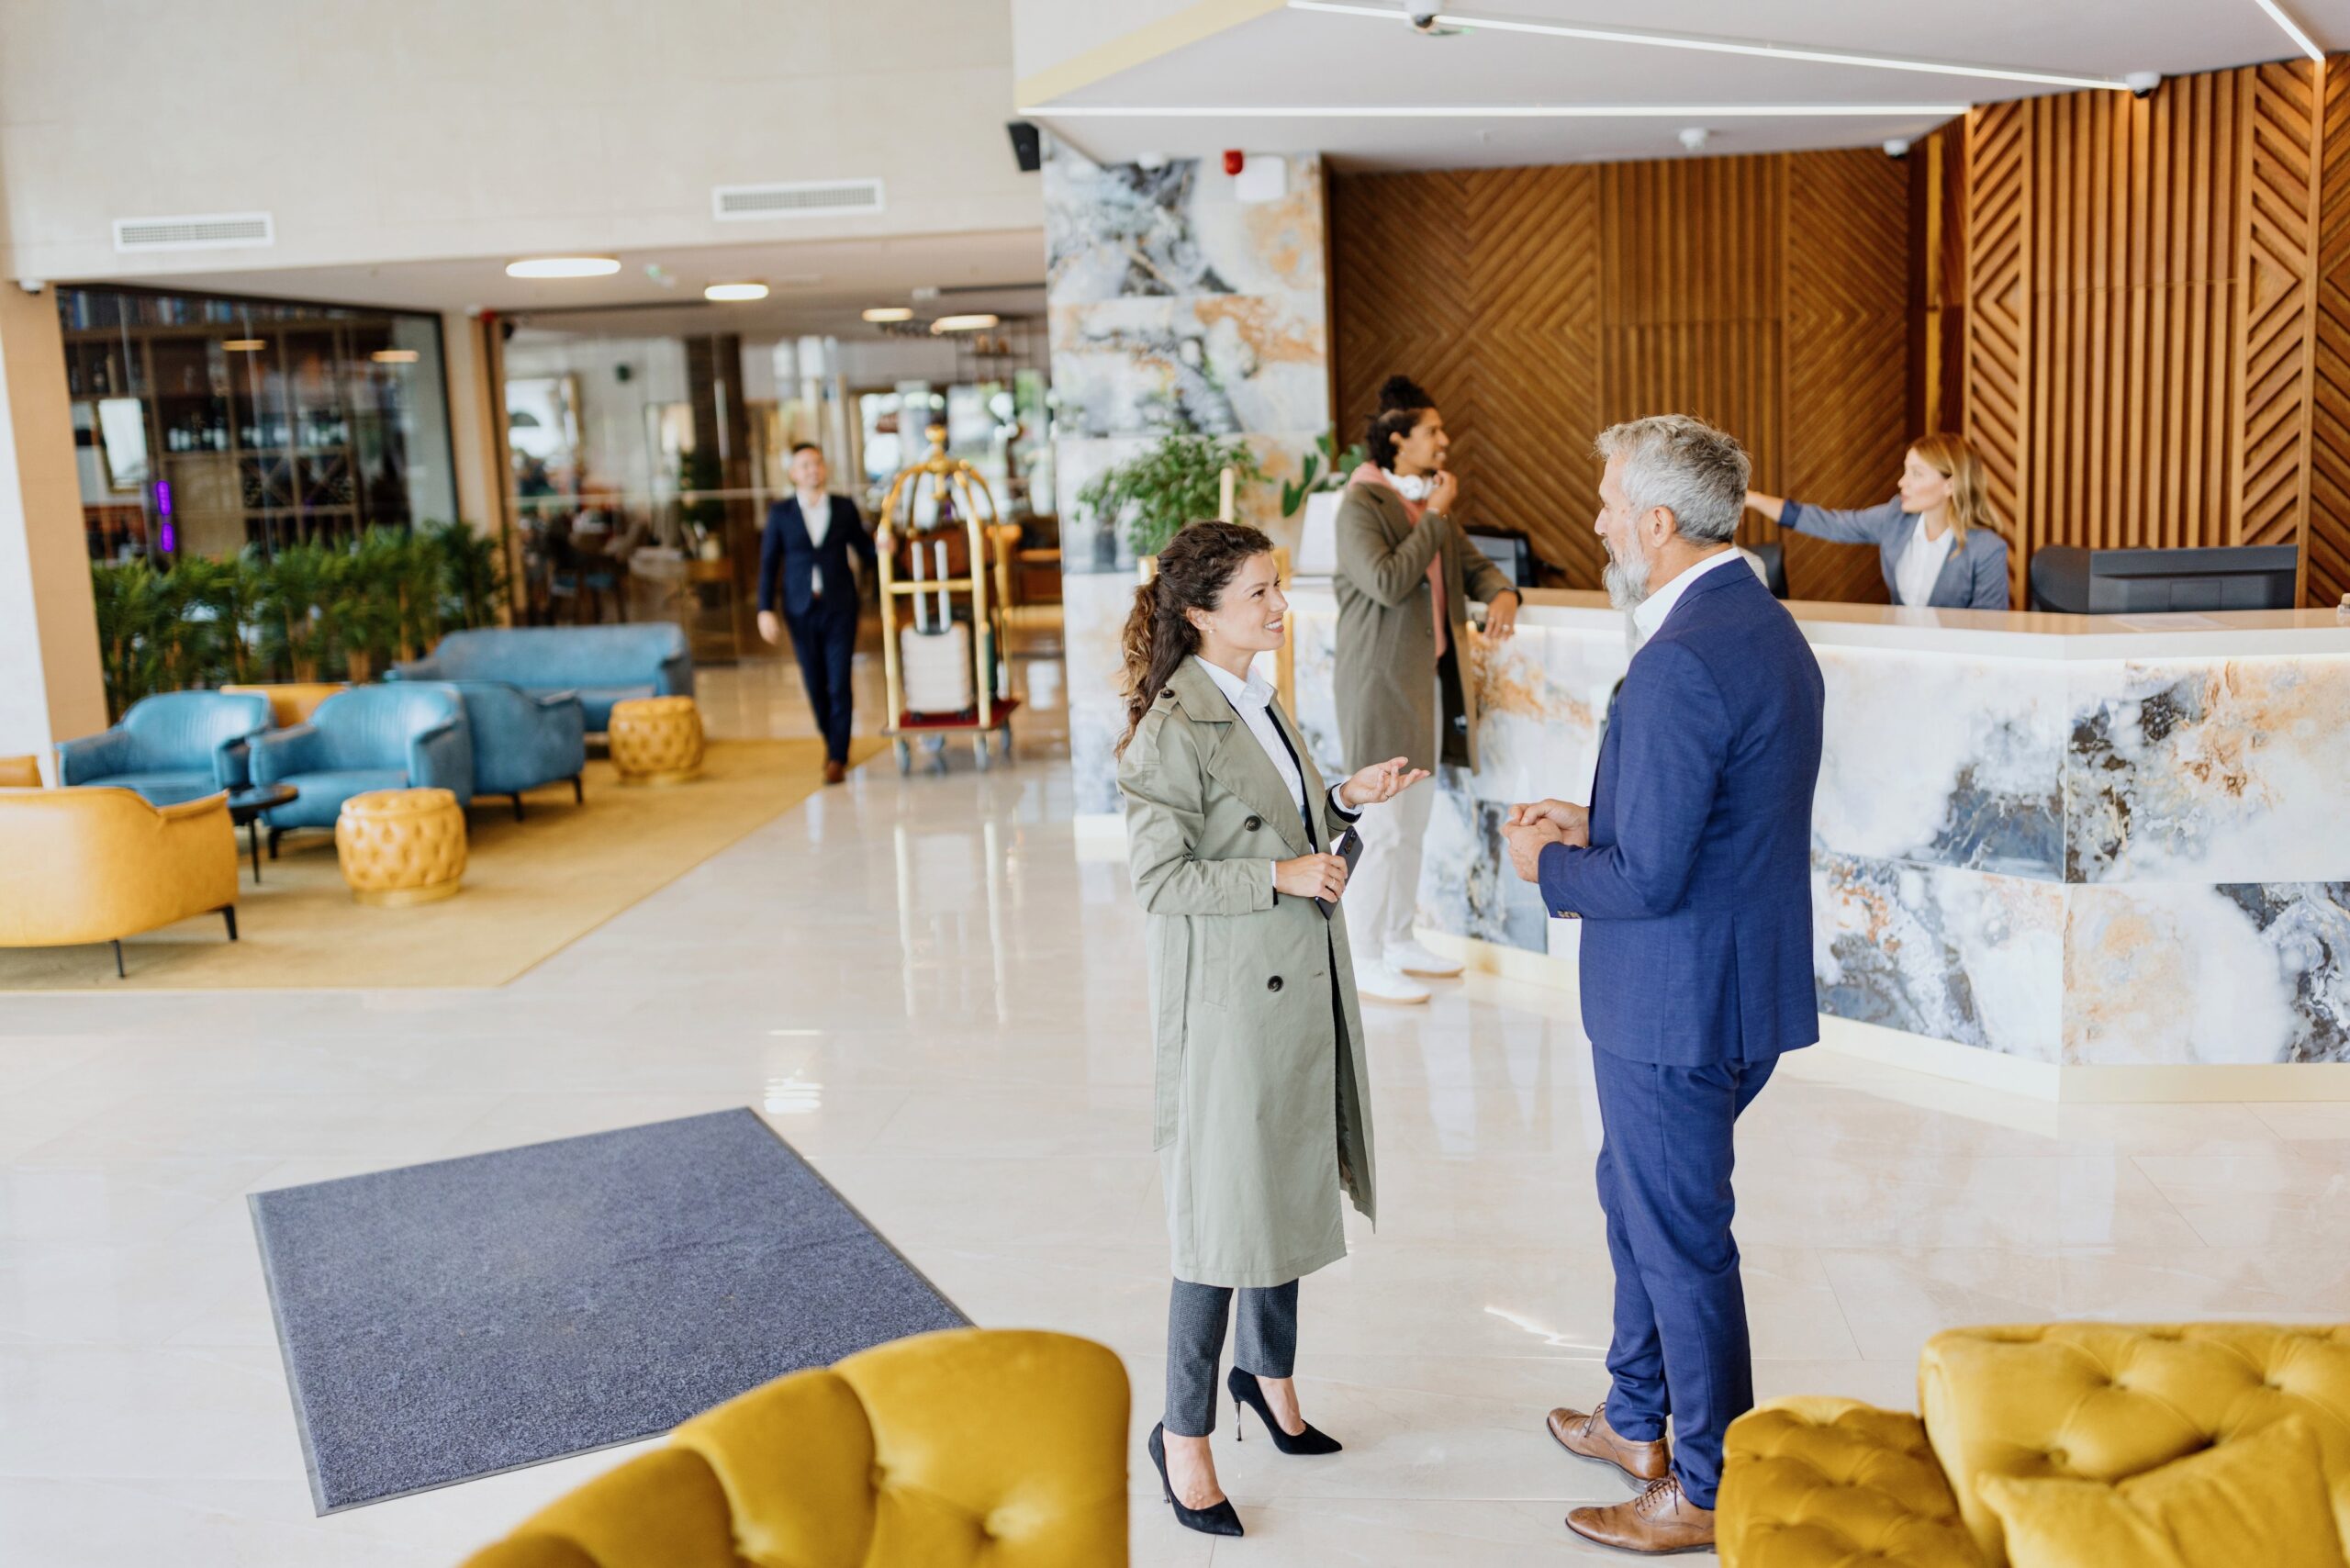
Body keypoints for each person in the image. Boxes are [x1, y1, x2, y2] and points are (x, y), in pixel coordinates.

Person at [1500, 415, 1824, 1556]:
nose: (1594, 521)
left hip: (1674, 1004)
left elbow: (1647, 877)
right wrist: (1593, 815)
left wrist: (1546, 864)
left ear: (1655, 520)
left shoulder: (1681, 657)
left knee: (1682, 1242)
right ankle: (1635, 1416)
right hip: (1731, 987)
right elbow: (1714, 818)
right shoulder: (1761, 624)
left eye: (1605, 503)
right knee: (1635, 1197)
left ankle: (1707, 1485)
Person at [1115, 519, 1428, 1539]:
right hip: (1230, 1006)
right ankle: (1183, 1434)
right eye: (1259, 592)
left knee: (1286, 1181)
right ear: (1200, 612)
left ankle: (1269, 1377)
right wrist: (1281, 873)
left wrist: (1342, 797)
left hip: (1292, 984)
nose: (1280, 606)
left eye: (1277, 586)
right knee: (1220, 1218)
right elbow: (1159, 879)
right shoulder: (1172, 726)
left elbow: (1285, 821)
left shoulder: (1259, 697)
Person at [1332, 375, 1521, 1005]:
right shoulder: (1361, 504)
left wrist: (1503, 593)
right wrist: (1435, 514)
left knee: (1413, 823)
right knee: (1382, 828)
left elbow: (1473, 565)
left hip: (1425, 683)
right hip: (1379, 685)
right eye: (1432, 431)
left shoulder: (1426, 505)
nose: (1444, 441)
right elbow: (1387, 581)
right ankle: (1364, 955)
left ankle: (1398, 938)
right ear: (1397, 440)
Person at [1743, 431, 2010, 609]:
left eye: (1916, 474)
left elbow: (1988, 633)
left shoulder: (1987, 550)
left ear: (1950, 485)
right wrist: (1753, 499)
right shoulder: (1896, 518)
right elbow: (1832, 524)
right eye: (1906, 471)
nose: (1902, 482)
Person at [757, 443, 878, 785]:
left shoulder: (843, 507)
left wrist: (883, 548)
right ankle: (831, 739)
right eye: (805, 465)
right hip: (799, 609)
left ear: (824, 468)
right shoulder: (780, 513)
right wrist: (764, 609)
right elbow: (768, 564)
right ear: (793, 473)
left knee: (839, 681)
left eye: (817, 463)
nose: (813, 470)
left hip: (840, 606)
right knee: (814, 682)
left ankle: (837, 755)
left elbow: (864, 549)